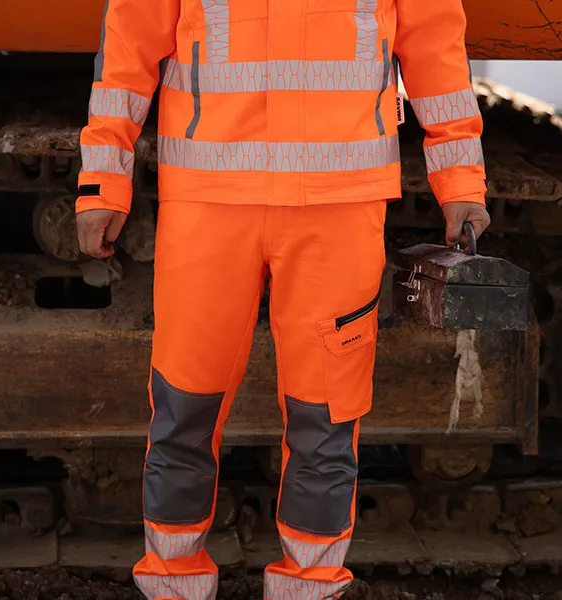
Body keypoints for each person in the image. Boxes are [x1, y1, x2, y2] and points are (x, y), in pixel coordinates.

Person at [75, 0, 490, 597]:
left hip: (336, 205)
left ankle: (310, 584)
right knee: (184, 408)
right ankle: (172, 583)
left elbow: (434, 48)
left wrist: (462, 183)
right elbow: (128, 49)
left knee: (325, 417)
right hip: (210, 201)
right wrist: (102, 182)